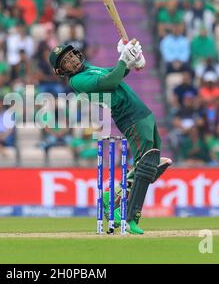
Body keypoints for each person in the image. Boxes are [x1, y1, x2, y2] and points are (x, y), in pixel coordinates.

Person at [48, 39, 172, 234]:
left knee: (149, 164)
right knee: (146, 164)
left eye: (71, 55)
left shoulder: (89, 68)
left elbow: (117, 74)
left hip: (141, 113)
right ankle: (129, 217)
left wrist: (132, 61)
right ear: (60, 70)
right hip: (129, 116)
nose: (71, 60)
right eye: (66, 61)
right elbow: (111, 81)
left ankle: (112, 198)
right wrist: (123, 60)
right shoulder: (77, 81)